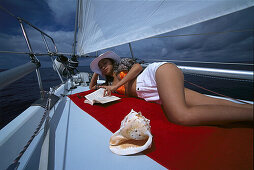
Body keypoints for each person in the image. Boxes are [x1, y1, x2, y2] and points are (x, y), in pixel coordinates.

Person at [89, 51, 253, 126]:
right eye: (100, 67)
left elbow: (138, 67)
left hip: (157, 75)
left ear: (112, 62)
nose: (103, 67)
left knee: (180, 116)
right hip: (156, 92)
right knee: (211, 102)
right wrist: (95, 72)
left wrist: (117, 85)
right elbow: (91, 88)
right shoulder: (109, 84)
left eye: (105, 63)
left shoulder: (122, 66)